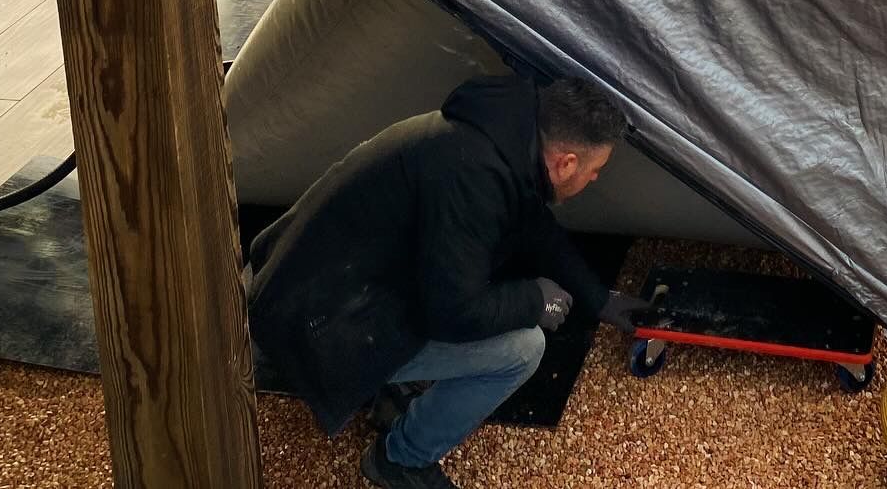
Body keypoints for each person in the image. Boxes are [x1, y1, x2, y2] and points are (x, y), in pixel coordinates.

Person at [247, 74, 650, 489]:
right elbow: (453, 314)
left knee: (485, 262)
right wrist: (534, 301)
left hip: (312, 280)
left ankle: (389, 391)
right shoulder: (474, 184)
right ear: (566, 163)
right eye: (596, 169)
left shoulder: (499, 134)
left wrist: (599, 300)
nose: (597, 178)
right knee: (524, 349)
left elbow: (535, 228)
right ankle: (400, 460)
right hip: (318, 325)